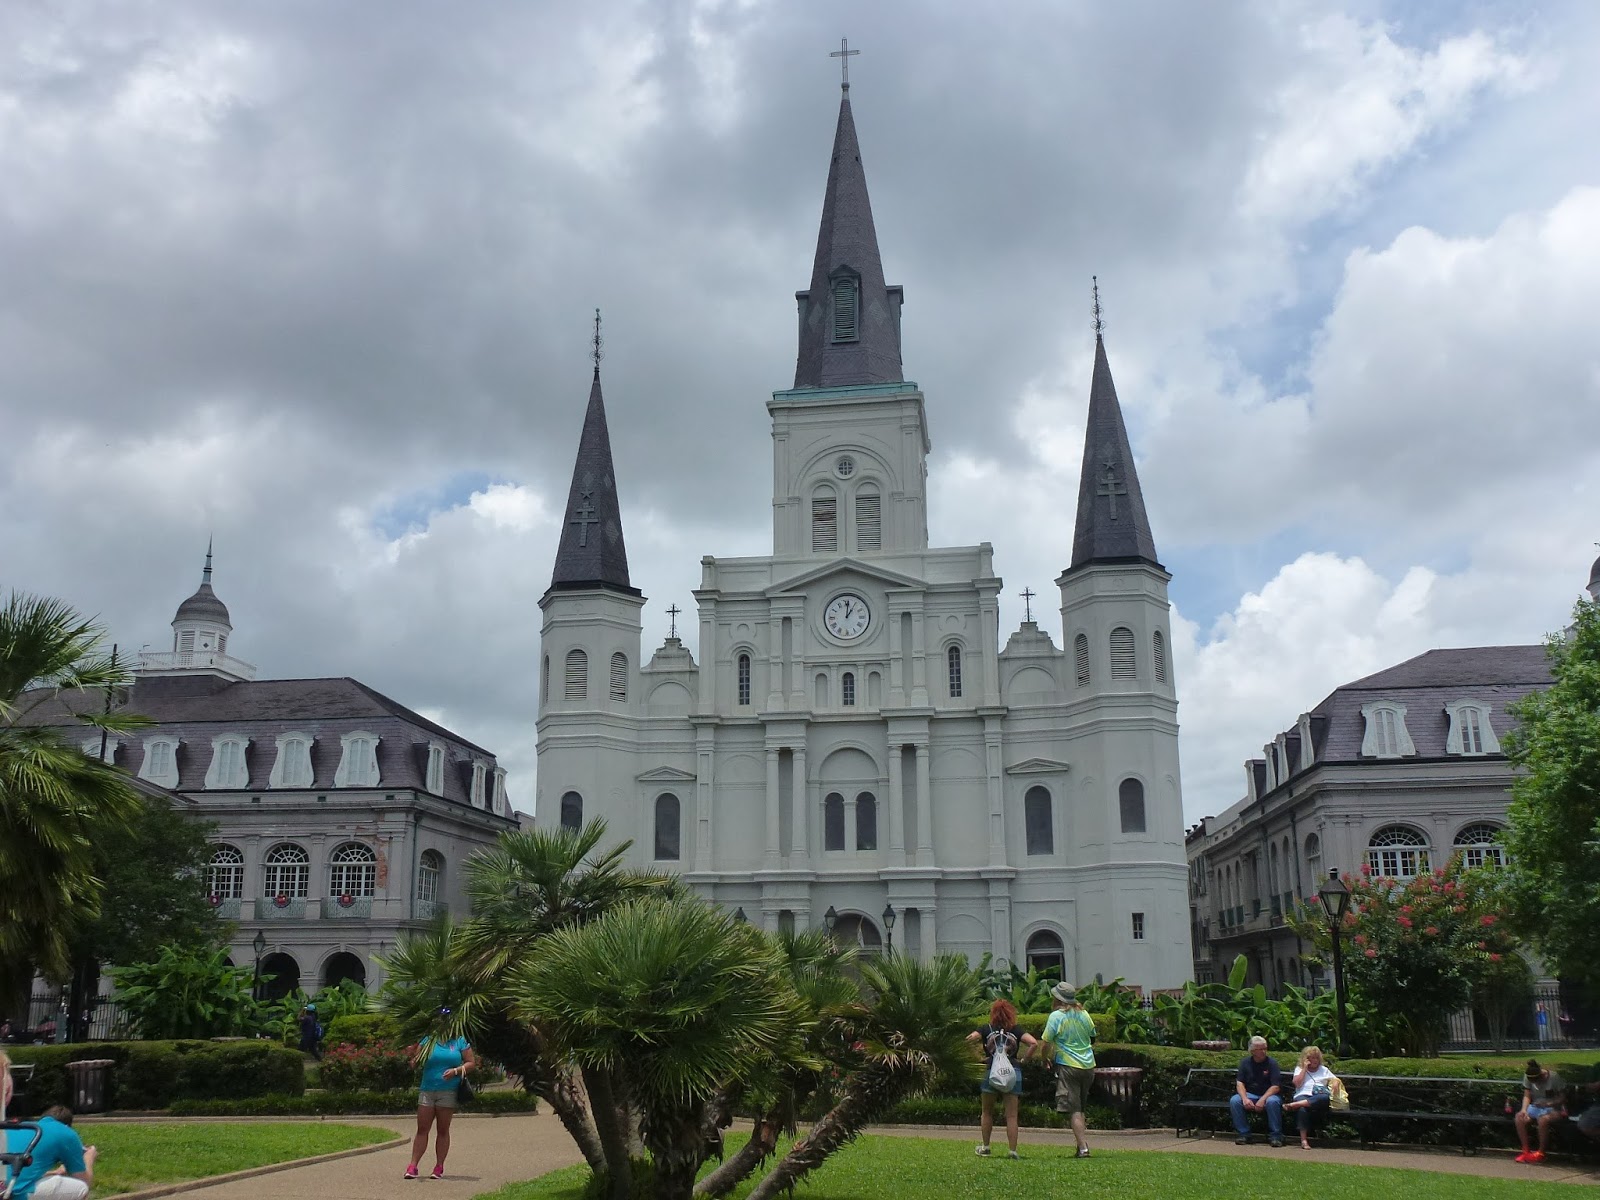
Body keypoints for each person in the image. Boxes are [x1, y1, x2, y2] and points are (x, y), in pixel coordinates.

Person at [966, 998, 1039, 1159]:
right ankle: (1012, 1150)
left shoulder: (986, 1028)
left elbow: (969, 1040)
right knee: (1012, 1115)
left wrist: (978, 1058)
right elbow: (1033, 1043)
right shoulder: (1016, 1030)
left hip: (991, 1071)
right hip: (1013, 1071)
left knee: (987, 1111)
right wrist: (1023, 1060)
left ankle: (985, 1146)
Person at [406, 1019, 474, 1181]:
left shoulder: (459, 1041)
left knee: (442, 1130)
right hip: (428, 1089)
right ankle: (413, 1165)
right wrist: (412, 1056)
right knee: (422, 1128)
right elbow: (415, 1062)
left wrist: (457, 1071)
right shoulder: (429, 1040)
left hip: (448, 1090)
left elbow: (471, 1063)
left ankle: (439, 1166)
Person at [1040, 981, 1096, 1159]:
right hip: (1088, 1066)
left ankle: (1083, 1147)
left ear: (1057, 998)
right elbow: (1092, 1037)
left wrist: (1044, 1058)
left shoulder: (1056, 1016)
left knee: (1074, 1109)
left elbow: (1046, 1043)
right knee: (1081, 1108)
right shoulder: (1084, 1014)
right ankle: (1081, 1143)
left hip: (1068, 1065)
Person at [2, 1104, 97, 1199]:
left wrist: (55, 1172)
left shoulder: (23, 1127)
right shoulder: (66, 1132)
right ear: (68, 1125)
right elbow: (83, 1180)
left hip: (3, 1188)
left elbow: (20, 1171)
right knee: (81, 1188)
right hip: (17, 1193)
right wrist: (89, 1157)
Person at [1230, 1036, 1285, 1147]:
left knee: (1272, 1102)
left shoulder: (1272, 1063)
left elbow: (1276, 1086)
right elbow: (1240, 1083)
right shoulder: (1245, 1063)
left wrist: (1262, 1099)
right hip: (1251, 1094)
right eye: (1260, 1049)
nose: (1263, 1051)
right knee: (1235, 1100)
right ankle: (1244, 1134)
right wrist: (1245, 1099)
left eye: (1265, 1048)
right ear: (1252, 1051)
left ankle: (1276, 1136)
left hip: (1269, 1094)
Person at [1515, 1058, 1567, 1164]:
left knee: (1543, 1120)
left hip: (1553, 1108)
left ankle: (1541, 1153)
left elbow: (1563, 1098)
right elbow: (1527, 1095)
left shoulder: (1553, 1077)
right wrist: (1524, 1109)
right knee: (1519, 1118)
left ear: (1542, 1076)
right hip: (1535, 1106)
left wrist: (1549, 1103)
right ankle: (1526, 1151)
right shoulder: (1528, 1076)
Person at [1283, 1045, 1334, 1149]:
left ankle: (1295, 1105)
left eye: (1316, 1057)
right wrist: (1305, 1069)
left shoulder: (1324, 1070)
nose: (1314, 1060)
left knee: (1324, 1097)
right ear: (1306, 1059)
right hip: (1303, 1094)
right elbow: (1297, 1084)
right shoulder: (1299, 1069)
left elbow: (1335, 1080)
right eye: (1312, 1058)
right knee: (1303, 1109)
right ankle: (1304, 1140)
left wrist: (1335, 1083)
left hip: (1319, 1097)